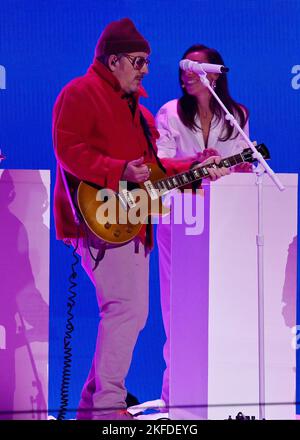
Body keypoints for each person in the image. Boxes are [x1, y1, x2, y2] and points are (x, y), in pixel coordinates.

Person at [52, 22, 229, 421]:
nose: (145, 69)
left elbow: (155, 168)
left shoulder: (140, 111)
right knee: (127, 311)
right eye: (138, 61)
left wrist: (196, 165)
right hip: (99, 218)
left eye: (146, 62)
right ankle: (108, 408)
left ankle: (93, 406)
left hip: (131, 220)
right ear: (112, 61)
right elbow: (70, 150)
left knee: (126, 311)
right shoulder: (79, 93)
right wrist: (119, 170)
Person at [155, 44, 252, 407]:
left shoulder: (236, 115)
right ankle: (175, 396)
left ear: (215, 73)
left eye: (195, 68)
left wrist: (235, 169)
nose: (186, 74)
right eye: (183, 68)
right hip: (178, 218)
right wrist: (195, 166)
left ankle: (223, 393)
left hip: (225, 221)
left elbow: (241, 163)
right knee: (177, 306)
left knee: (223, 305)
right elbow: (159, 164)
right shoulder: (169, 113)